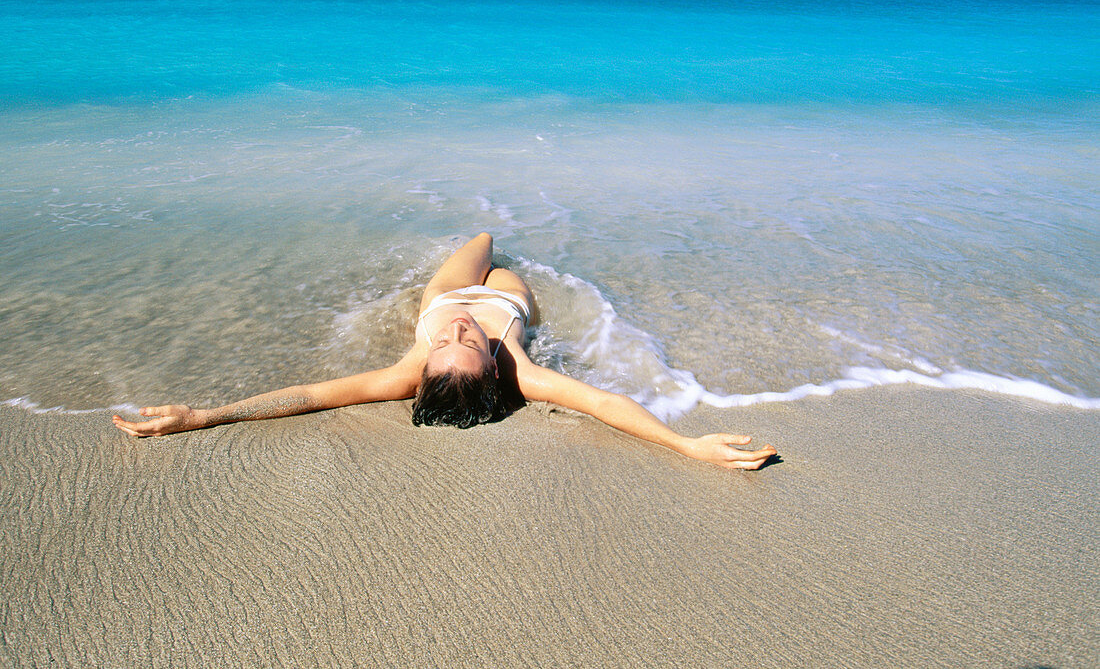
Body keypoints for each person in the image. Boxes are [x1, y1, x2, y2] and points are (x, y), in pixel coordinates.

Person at [113, 233, 777, 470]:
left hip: (443, 286)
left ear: (424, 368)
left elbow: (311, 398)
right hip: (512, 299)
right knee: (493, 243)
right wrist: (687, 447)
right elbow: (605, 404)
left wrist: (204, 416)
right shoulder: (523, 368)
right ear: (493, 368)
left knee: (476, 239)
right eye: (467, 343)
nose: (460, 329)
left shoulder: (411, 368)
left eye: (449, 344)